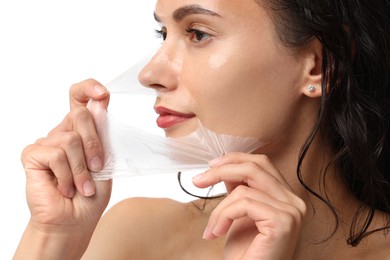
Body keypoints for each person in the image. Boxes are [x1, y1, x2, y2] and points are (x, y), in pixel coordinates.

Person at [14, 0, 390, 259]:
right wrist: (52, 238)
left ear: (318, 66)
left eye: (197, 34)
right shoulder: (137, 234)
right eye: (164, 35)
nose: (149, 75)